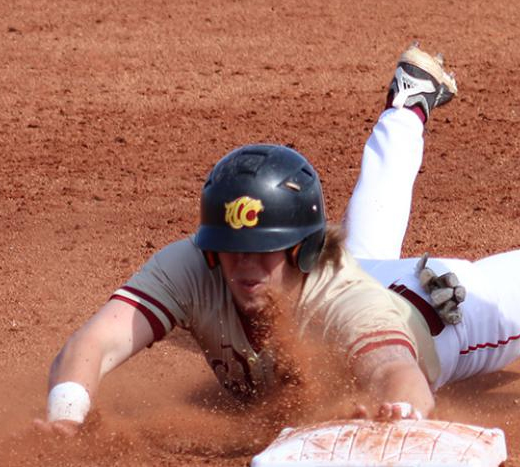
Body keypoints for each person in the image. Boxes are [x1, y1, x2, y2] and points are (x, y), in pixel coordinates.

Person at [34, 43, 520, 436]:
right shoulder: (197, 263)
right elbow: (94, 342)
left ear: (301, 249)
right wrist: (66, 414)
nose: (244, 268)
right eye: (233, 249)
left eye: (262, 252)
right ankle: (409, 103)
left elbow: (398, 373)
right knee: (364, 249)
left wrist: (400, 414)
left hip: (436, 313)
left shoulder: (347, 302)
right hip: (349, 278)